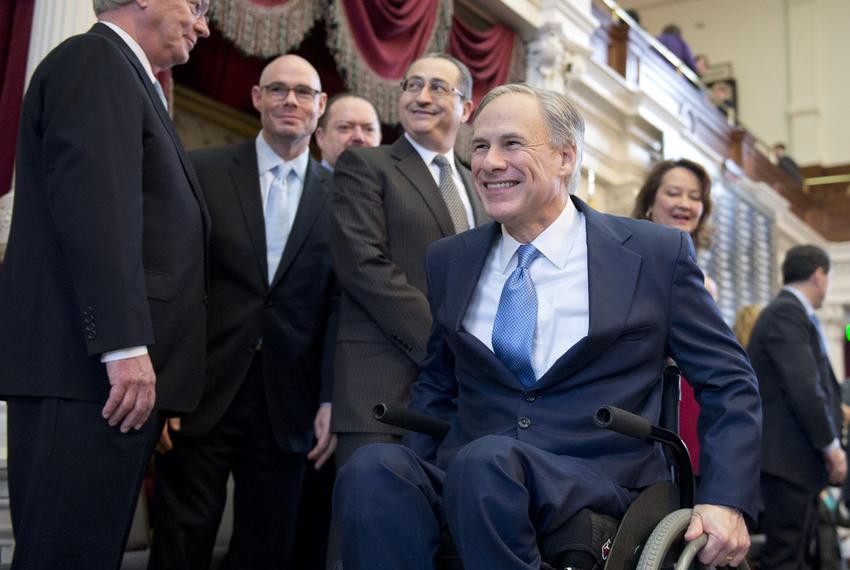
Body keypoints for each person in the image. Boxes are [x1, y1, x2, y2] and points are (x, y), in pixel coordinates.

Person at [333, 83, 761, 570]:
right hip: (474, 467)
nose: (489, 162)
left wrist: (725, 499)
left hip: (595, 475)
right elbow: (437, 380)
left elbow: (728, 379)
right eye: (479, 146)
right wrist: (421, 466)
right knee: (372, 467)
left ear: (564, 157)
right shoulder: (451, 260)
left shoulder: (653, 255)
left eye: (511, 144)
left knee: (487, 463)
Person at [0, 1, 210, 568]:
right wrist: (124, 347)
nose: (204, 23)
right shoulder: (96, 61)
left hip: (105, 383)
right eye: (197, 3)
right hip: (87, 374)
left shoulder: (128, 75)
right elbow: (97, 213)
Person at [148, 54, 338, 569]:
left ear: (320, 106)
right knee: (179, 540)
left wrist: (329, 400)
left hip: (289, 406)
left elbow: (339, 308)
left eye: (303, 93)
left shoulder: (343, 198)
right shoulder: (204, 170)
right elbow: (176, 285)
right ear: (257, 98)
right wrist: (164, 387)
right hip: (201, 395)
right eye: (278, 89)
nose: (290, 101)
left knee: (266, 549)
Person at [328, 53, 488, 467]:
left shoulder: (481, 184)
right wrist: (448, 352)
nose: (421, 96)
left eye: (438, 87)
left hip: (463, 403)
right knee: (369, 523)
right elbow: (365, 266)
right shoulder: (365, 165)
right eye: (412, 85)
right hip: (381, 391)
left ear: (466, 107)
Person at [748, 244, 845, 569]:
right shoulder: (787, 312)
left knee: (799, 555)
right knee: (786, 558)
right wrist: (832, 449)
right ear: (819, 275)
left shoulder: (791, 313)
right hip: (786, 462)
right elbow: (805, 388)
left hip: (795, 464)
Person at [631, 158, 716, 474]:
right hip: (648, 402)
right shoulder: (627, 260)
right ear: (650, 202)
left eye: (695, 197)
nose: (685, 204)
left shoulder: (705, 279)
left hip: (692, 403)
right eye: (674, 193)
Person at [315, 93, 382, 171]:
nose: (358, 137)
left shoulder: (394, 182)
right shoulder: (302, 182)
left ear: (380, 138)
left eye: (369, 129)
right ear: (321, 138)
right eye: (345, 127)